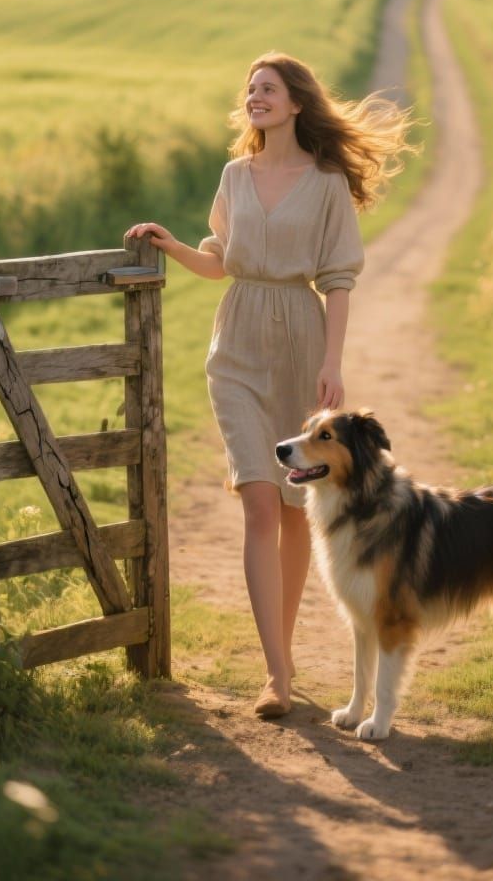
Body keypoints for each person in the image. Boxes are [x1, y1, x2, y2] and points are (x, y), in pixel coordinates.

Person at [126, 52, 410, 719]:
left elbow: (339, 279)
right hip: (237, 347)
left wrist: (333, 362)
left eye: (268, 89)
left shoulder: (327, 181)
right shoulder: (234, 175)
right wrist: (171, 245)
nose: (255, 97)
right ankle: (277, 675)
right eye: (250, 89)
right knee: (258, 500)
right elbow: (221, 262)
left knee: (291, 511)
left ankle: (282, 656)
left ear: (296, 104)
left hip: (301, 340)